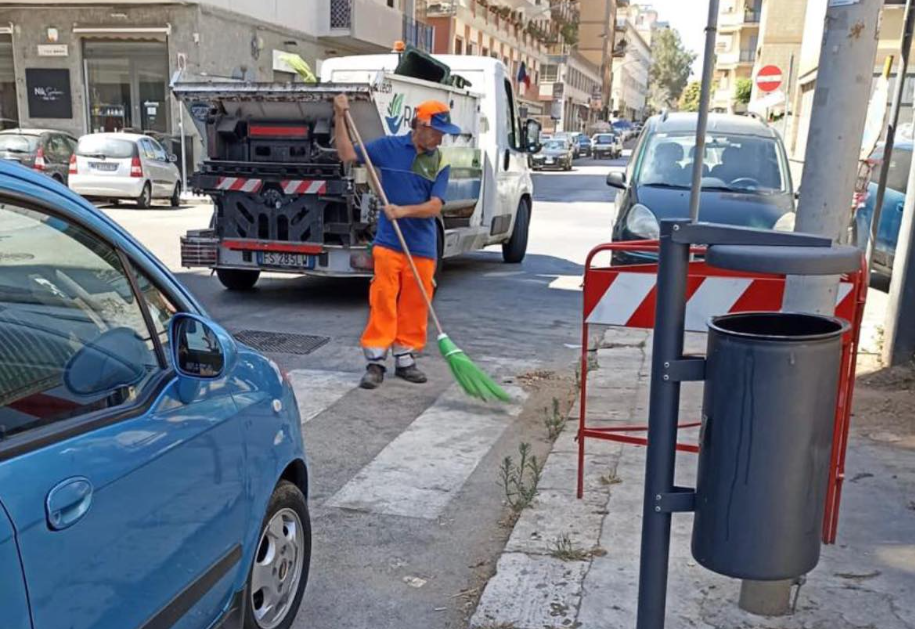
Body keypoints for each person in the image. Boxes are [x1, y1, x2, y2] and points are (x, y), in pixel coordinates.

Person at [333, 94, 461, 390]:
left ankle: (405, 358)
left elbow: (435, 207)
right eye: (438, 132)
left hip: (423, 246)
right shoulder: (388, 148)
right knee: (383, 298)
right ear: (421, 126)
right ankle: (375, 361)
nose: (440, 139)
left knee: (415, 303)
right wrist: (339, 116)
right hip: (389, 242)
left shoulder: (441, 161)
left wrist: (402, 211)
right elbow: (346, 153)